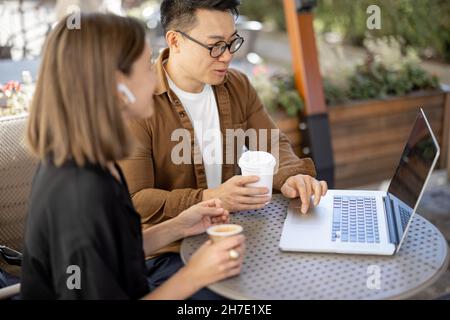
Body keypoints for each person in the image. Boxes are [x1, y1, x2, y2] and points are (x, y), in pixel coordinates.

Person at [21, 13, 245, 300]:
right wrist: (195, 275)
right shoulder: (80, 195)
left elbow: (114, 254)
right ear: (118, 86)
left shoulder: (91, 161)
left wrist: (180, 225)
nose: (155, 80)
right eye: (147, 68)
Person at [119, 0, 328, 289]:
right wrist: (208, 197)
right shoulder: (140, 102)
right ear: (175, 41)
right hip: (167, 252)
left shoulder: (237, 85)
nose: (227, 56)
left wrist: (293, 175)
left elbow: (270, 142)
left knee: (307, 278)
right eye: (216, 45)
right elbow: (135, 200)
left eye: (232, 43)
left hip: (234, 231)